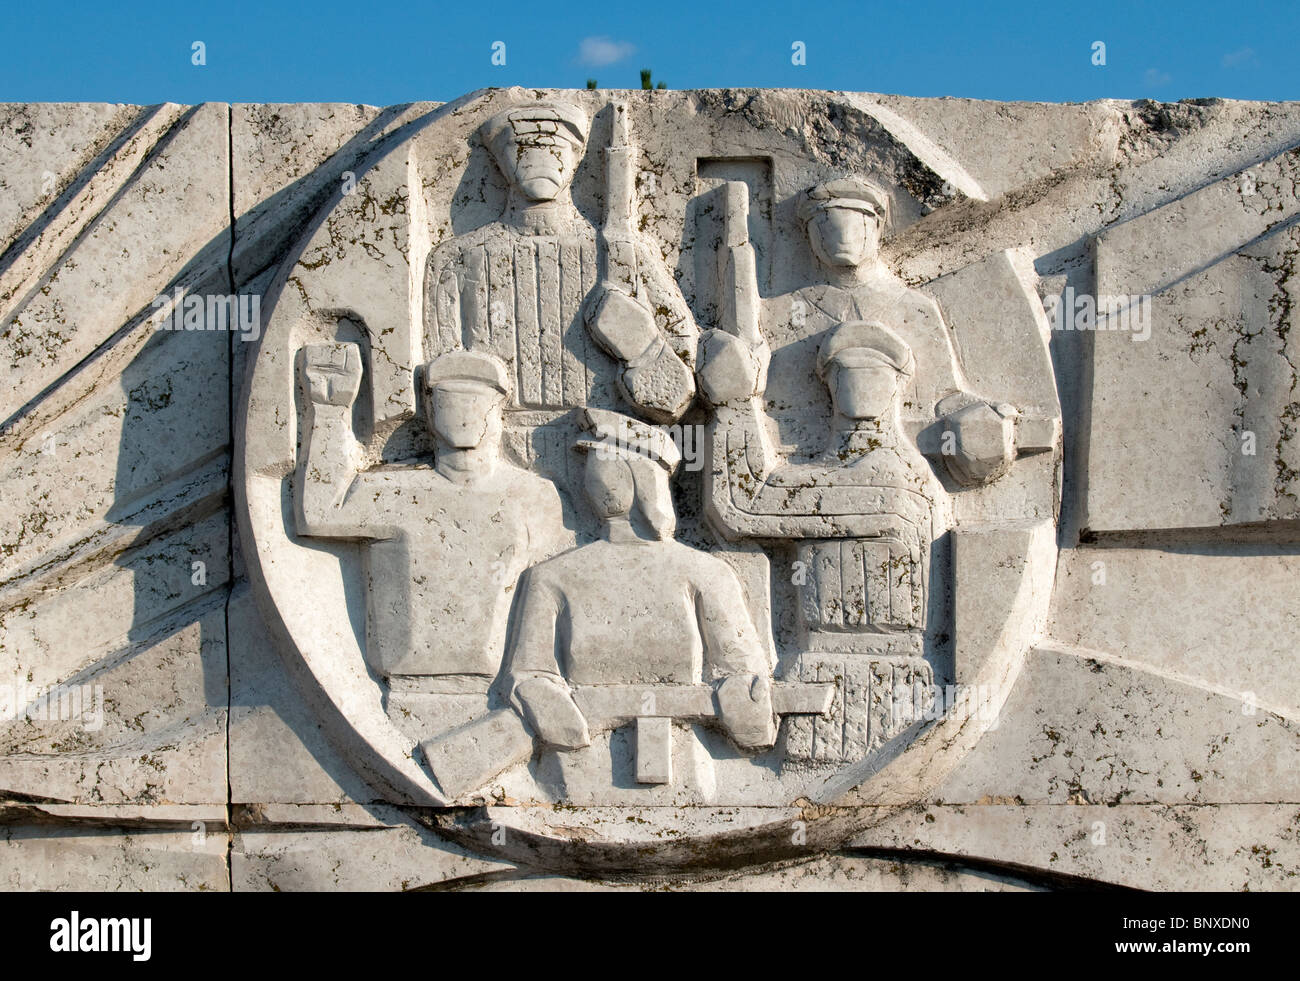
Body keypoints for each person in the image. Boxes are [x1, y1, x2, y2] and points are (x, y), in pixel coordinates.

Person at [296, 342, 572, 687]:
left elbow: (568, 579)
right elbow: (320, 514)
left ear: (497, 407)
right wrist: (329, 411)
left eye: (476, 400)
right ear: (428, 405)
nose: (463, 411)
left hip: (509, 689)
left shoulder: (533, 496)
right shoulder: (393, 492)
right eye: (449, 398)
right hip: (406, 684)